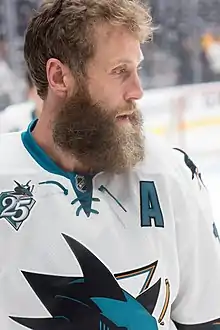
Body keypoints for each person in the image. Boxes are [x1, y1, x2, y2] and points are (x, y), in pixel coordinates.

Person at [0, 1, 219, 329]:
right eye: (120, 71)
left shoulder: (171, 173)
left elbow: (207, 319)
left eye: (137, 69)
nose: (137, 91)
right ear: (59, 76)